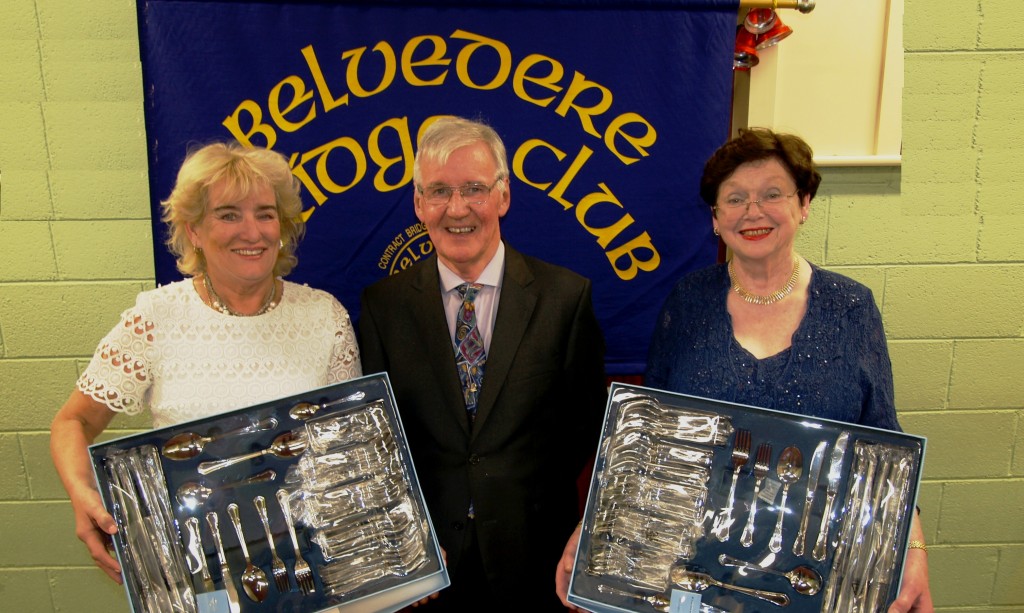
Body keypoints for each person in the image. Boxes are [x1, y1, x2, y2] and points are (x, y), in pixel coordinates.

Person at [556, 128, 933, 612]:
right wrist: (592, 531)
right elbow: (648, 437)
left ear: (804, 204)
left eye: (772, 194)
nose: (753, 211)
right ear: (715, 218)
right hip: (695, 567)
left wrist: (913, 550)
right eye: (734, 198)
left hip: (814, 575)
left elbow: (885, 440)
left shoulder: (852, 307)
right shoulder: (688, 303)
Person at [50, 142, 362, 583]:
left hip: (306, 566)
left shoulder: (324, 316)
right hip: (194, 569)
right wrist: (82, 495)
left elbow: (349, 448)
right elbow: (72, 422)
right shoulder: (155, 319)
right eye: (229, 214)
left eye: (266, 214)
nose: (252, 232)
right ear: (194, 229)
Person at [359, 116, 607, 610]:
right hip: (428, 566)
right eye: (439, 191)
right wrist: (405, 543)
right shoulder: (383, 307)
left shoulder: (565, 298)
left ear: (503, 196)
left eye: (474, 188)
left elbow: (586, 428)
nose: (457, 209)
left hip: (536, 559)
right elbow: (378, 437)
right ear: (418, 204)